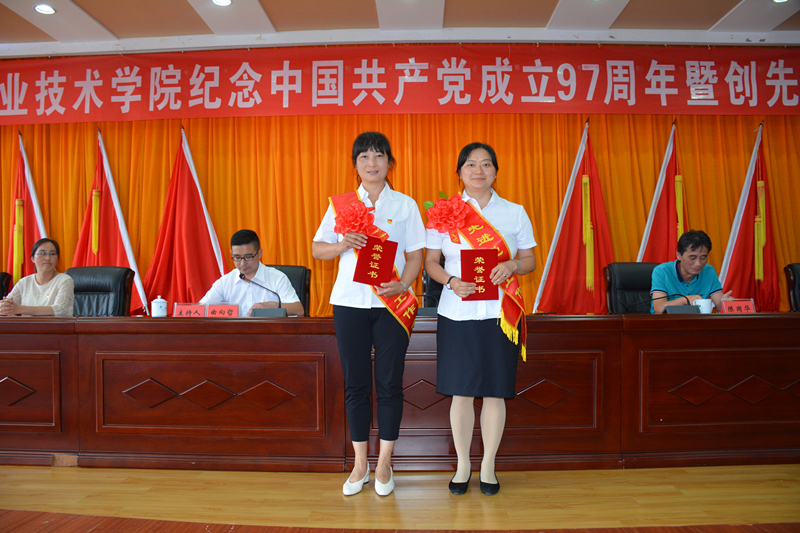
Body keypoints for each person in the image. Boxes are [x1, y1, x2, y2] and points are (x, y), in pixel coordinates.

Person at [312, 132, 425, 496]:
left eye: (379, 156)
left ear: (390, 163)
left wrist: (403, 284)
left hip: (391, 305)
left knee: (390, 383)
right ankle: (360, 463)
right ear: (355, 165)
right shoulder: (342, 206)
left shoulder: (405, 205)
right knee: (356, 384)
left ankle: (385, 462)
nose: (372, 163)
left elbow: (416, 256)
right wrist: (342, 244)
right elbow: (317, 249)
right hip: (349, 304)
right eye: (364, 157)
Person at [424, 142, 536, 496]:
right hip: (457, 312)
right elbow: (430, 263)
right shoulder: (444, 212)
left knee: (494, 393)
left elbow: (530, 260)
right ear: (459, 172)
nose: (478, 170)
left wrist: (512, 264)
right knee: (460, 392)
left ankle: (488, 465)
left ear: (496, 172)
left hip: (500, 313)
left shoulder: (514, 212)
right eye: (470, 164)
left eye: (486, 164)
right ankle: (463, 465)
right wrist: (451, 281)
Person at [200, 229, 304, 317]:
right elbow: (201, 310)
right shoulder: (225, 282)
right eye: (237, 257)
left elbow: (299, 310)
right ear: (231, 254)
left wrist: (270, 306)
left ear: (260, 253)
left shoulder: (277, 278)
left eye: (248, 257)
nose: (242, 263)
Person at [650, 230, 732, 314]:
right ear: (679, 255)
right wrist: (684, 300)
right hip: (668, 321)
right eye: (692, 258)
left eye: (703, 258)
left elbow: (719, 305)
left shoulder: (709, 271)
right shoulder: (662, 271)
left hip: (698, 321)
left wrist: (726, 303)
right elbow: (658, 308)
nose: (698, 264)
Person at [0, 238, 74, 317]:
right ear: (33, 258)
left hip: (55, 325)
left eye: (52, 254)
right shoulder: (24, 282)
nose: (48, 258)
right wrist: (4, 306)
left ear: (57, 258)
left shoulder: (65, 280)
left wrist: (20, 309)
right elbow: (7, 306)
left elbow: (60, 310)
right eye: (42, 253)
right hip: (27, 325)